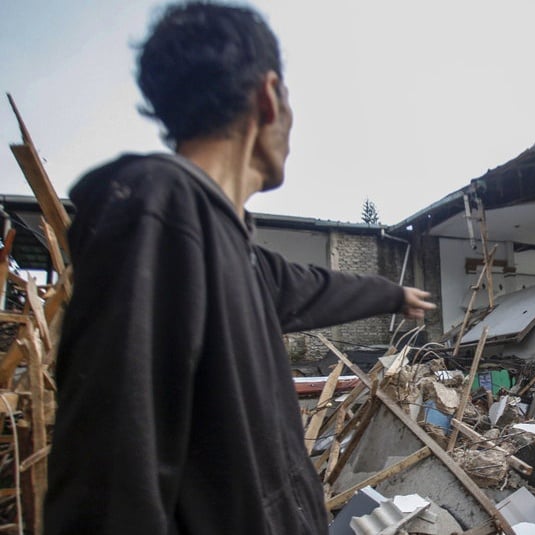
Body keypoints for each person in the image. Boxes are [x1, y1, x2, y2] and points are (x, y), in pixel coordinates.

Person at [42, 2, 434, 533]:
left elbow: (320, 288)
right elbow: (109, 484)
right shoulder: (157, 212)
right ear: (268, 97)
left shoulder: (234, 252)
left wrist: (395, 295)